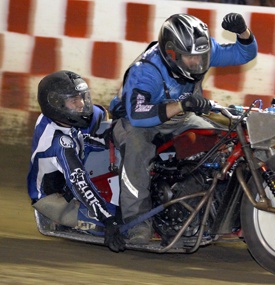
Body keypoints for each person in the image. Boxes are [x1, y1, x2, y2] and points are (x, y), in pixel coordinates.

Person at [110, 13, 258, 245]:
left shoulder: (204, 52)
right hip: (134, 120)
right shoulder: (146, 70)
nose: (198, 63)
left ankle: (210, 209)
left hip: (179, 117)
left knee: (218, 141)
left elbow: (244, 53)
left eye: (202, 57)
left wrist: (243, 32)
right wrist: (180, 105)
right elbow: (137, 115)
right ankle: (136, 222)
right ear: (172, 54)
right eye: (191, 58)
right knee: (137, 149)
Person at [27, 70, 125, 253]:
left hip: (75, 165)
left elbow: (100, 114)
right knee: (124, 222)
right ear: (56, 105)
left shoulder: (61, 119)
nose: (81, 105)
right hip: (57, 199)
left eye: (82, 98)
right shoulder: (58, 143)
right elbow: (79, 183)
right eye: (74, 101)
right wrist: (108, 220)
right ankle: (79, 220)